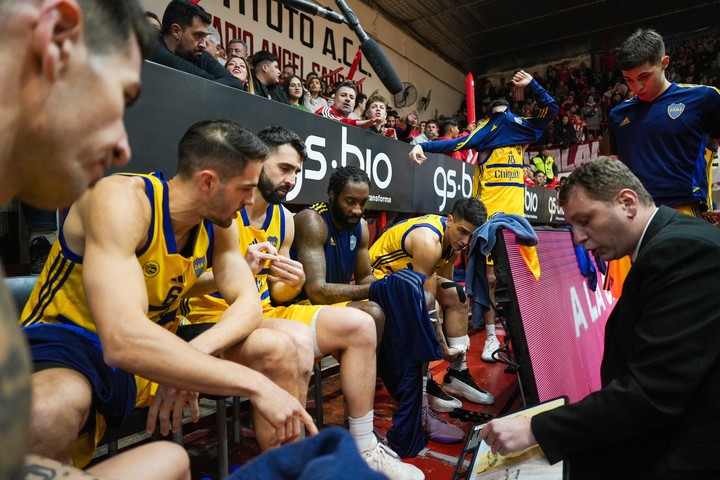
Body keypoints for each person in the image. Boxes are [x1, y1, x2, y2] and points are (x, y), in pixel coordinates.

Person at [20, 120, 318, 467]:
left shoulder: (218, 224)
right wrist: (251, 383)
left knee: (278, 348)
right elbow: (123, 339)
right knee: (49, 406)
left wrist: (191, 358)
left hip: (163, 339)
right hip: (72, 340)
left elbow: (248, 305)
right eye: (245, 189)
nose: (251, 201)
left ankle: (285, 472)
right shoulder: (118, 200)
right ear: (208, 182)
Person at [0, 0, 191, 478]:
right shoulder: (126, 199)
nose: (124, 146)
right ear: (58, 40)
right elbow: (124, 338)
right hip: (72, 345)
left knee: (169, 460)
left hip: (113, 360)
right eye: (122, 97)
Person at [182, 128, 423, 480]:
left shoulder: (283, 219)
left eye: (296, 171)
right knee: (289, 343)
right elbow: (184, 286)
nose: (291, 179)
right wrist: (240, 272)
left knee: (362, 325)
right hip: (218, 317)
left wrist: (290, 280)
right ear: (256, 163)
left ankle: (363, 445)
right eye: (284, 168)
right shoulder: (219, 213)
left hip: (264, 311)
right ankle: (287, 465)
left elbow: (278, 292)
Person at [480, 157, 720, 479]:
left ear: (627, 203)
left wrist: (535, 430)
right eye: (572, 227)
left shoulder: (681, 252)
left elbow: (651, 393)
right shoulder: (671, 241)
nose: (578, 238)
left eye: (586, 220)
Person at [293, 167, 466, 453]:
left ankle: (418, 404)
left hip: (336, 303)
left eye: (363, 203)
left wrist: (394, 291)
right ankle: (358, 427)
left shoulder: (359, 227)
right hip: (304, 306)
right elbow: (317, 291)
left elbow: (364, 278)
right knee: (374, 312)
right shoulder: (313, 220)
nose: (358, 210)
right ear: (332, 195)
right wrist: (384, 288)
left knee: (416, 302)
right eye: (350, 201)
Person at [409, 72, 559, 363]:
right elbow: (452, 145)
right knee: (489, 279)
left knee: (518, 279)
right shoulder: (484, 137)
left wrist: (533, 86)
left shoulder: (520, 136)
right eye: (499, 117)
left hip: (515, 221)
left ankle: (521, 334)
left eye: (506, 116)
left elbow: (550, 109)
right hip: (488, 222)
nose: (503, 121)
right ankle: (491, 335)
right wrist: (422, 145)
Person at [369, 198, 495, 409]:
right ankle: (424, 384)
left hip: (405, 279)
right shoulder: (428, 241)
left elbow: (442, 289)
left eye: (472, 235)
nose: (466, 241)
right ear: (449, 220)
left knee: (458, 293)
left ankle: (458, 374)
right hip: (378, 283)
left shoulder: (453, 245)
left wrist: (454, 339)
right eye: (463, 231)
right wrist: (442, 346)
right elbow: (425, 304)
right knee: (429, 309)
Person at [606, 28, 720, 217]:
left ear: (664, 62)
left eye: (644, 77)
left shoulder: (704, 98)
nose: (637, 87)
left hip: (684, 210)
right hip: (634, 215)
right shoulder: (618, 115)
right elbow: (616, 169)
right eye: (629, 80)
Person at [149, 0, 242, 89]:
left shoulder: (198, 54)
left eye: (204, 36)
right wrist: (212, 83)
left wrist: (207, 84)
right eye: (198, 35)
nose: (203, 45)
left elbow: (234, 83)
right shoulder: (151, 48)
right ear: (176, 31)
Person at [315, 81, 383, 129]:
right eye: (343, 95)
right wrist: (360, 123)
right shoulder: (325, 110)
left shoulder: (352, 121)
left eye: (352, 97)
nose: (348, 99)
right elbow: (333, 121)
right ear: (334, 98)